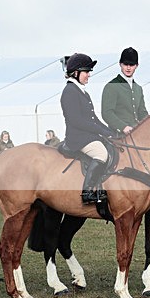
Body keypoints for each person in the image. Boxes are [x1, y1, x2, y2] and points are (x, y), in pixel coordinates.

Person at [61, 53, 119, 204]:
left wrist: (109, 131)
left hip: (88, 135)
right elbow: (76, 121)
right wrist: (101, 132)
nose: (88, 75)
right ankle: (87, 192)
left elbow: (93, 119)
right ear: (76, 73)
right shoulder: (69, 91)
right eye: (86, 72)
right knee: (101, 154)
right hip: (78, 138)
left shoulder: (82, 91)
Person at [101, 47, 149, 135]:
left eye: (131, 65)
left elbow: (142, 113)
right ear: (120, 64)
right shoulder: (111, 86)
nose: (128, 68)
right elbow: (107, 113)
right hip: (118, 135)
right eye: (125, 64)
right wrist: (123, 127)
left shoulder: (138, 88)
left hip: (137, 133)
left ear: (136, 65)